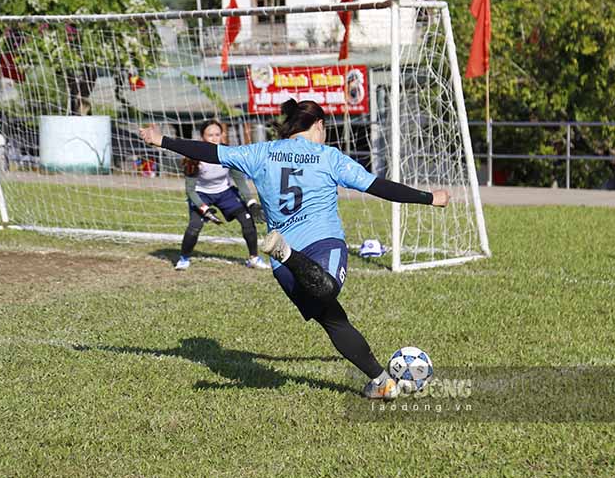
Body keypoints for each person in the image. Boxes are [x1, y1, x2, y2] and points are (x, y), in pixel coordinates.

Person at [140, 99, 450, 400]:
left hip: (282, 266)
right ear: (319, 125)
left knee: (334, 320)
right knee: (327, 292)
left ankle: (381, 382)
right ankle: (288, 253)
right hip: (323, 243)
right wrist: (429, 197)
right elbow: (377, 186)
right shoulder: (328, 156)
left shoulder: (260, 152)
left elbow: (209, 152)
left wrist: (162, 140)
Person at [175, 120, 270, 271]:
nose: (214, 138)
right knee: (195, 226)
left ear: (222, 135)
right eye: (210, 135)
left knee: (247, 220)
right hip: (201, 194)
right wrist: (203, 208)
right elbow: (190, 190)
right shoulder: (193, 156)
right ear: (202, 137)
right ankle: (183, 258)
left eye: (217, 134)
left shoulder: (229, 154)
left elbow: (239, 180)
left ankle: (254, 258)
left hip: (225, 193)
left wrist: (251, 202)